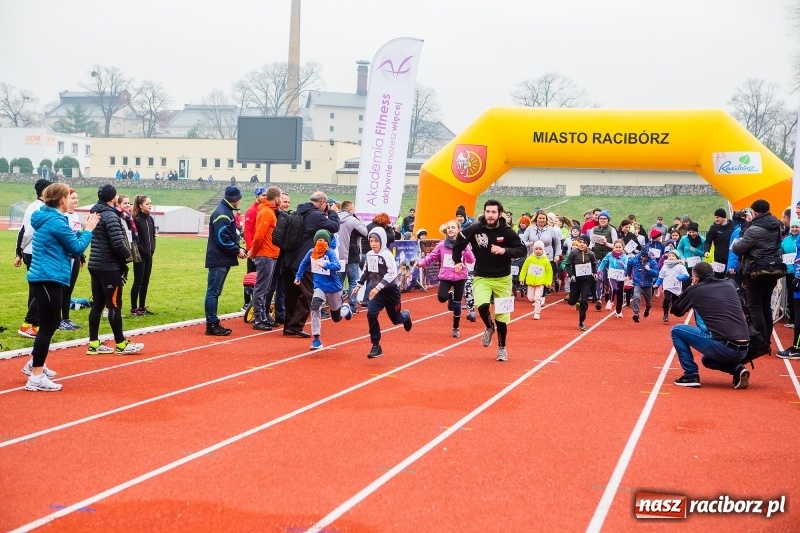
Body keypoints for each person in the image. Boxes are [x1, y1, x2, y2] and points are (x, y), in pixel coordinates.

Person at [23, 184, 99, 391]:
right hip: (48, 277)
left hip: (47, 276)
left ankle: (34, 363)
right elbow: (75, 247)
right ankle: (36, 376)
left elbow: (68, 243)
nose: (72, 200)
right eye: (69, 197)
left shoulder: (50, 218)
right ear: (61, 200)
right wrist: (89, 230)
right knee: (48, 325)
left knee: (50, 323)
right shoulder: (56, 221)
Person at [452, 199, 527, 361]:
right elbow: (459, 242)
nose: (490, 215)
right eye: (488, 212)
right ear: (484, 213)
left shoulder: (507, 231)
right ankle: (488, 327)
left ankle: (502, 348)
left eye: (494, 212)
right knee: (482, 305)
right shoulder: (474, 228)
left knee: (502, 318)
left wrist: (504, 250)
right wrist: (457, 261)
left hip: (503, 279)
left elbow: (522, 250)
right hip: (482, 277)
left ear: (499, 214)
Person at [670, 261, 752, 388]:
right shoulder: (729, 285)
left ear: (695, 278)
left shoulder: (695, 289)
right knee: (707, 360)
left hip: (724, 346)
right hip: (744, 348)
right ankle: (737, 369)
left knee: (676, 330)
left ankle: (690, 374)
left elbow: (676, 311)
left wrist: (689, 290)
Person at [87, 184, 144, 355]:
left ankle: (94, 343)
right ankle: (120, 343)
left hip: (95, 263)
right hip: (108, 266)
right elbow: (118, 243)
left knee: (97, 305)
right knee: (114, 305)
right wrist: (128, 259)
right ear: (112, 198)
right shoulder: (111, 216)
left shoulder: (95, 213)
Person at [282, 191, 340, 338]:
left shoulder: (299, 211)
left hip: (290, 259)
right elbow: (334, 227)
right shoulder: (316, 215)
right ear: (321, 202)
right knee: (309, 294)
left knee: (292, 294)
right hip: (305, 260)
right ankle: (295, 326)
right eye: (325, 204)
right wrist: (333, 212)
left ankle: (289, 325)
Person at [351, 227, 412, 358]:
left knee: (396, 320)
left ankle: (406, 317)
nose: (373, 244)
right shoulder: (369, 254)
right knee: (371, 314)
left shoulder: (387, 255)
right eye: (371, 241)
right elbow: (367, 271)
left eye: (376, 241)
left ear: (382, 241)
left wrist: (378, 287)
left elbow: (392, 274)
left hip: (390, 292)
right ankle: (376, 345)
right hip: (376, 292)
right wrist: (359, 285)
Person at [731, 199, 784, 348]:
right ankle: (766, 339)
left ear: (755, 212)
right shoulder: (777, 225)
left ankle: (760, 341)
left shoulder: (754, 229)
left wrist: (746, 228)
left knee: (754, 306)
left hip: (756, 270)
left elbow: (738, 248)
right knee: (766, 305)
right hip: (773, 269)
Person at [416, 220, 475, 337]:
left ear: (459, 230)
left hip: (459, 277)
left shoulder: (463, 245)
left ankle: (455, 328)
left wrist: (465, 247)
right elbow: (431, 257)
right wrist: (421, 263)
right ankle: (450, 296)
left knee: (457, 305)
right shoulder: (442, 245)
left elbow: (471, 260)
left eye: (453, 227)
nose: (450, 230)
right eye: (449, 228)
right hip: (446, 276)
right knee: (441, 297)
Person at [295, 230, 352, 349]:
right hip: (319, 286)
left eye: (324, 240)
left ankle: (345, 309)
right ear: (315, 242)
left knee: (336, 318)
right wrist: (298, 276)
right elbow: (304, 264)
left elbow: (337, 266)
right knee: (315, 307)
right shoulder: (311, 252)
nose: (321, 242)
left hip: (333, 288)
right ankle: (316, 340)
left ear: (328, 242)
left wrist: (325, 264)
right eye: (319, 240)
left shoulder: (330, 252)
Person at [204, 186, 248, 336]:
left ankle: (213, 322)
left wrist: (238, 247)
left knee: (214, 292)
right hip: (219, 259)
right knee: (213, 292)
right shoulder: (223, 213)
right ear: (236, 199)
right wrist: (237, 250)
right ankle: (211, 323)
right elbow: (222, 239)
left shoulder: (225, 211)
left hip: (220, 258)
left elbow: (227, 236)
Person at [15, 178, 52, 338]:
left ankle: (35, 324)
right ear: (44, 191)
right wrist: (20, 250)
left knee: (36, 289)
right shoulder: (37, 208)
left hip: (34, 251)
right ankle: (29, 324)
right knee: (41, 290)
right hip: (34, 251)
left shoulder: (41, 207)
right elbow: (26, 232)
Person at [249, 186, 282, 330]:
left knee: (265, 287)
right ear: (276, 198)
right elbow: (259, 236)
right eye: (280, 197)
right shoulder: (267, 212)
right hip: (265, 254)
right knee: (261, 288)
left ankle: (262, 316)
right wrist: (253, 253)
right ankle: (258, 319)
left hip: (270, 254)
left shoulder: (269, 211)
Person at [58, 188, 85, 331]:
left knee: (69, 289)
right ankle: (58, 320)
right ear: (65, 199)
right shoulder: (61, 216)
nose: (75, 200)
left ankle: (66, 319)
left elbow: (77, 236)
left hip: (74, 256)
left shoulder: (75, 216)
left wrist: (81, 256)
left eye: (77, 198)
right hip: (64, 257)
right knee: (60, 290)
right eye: (73, 198)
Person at [336, 200, 368, 310]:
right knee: (353, 282)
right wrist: (360, 221)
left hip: (337, 255)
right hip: (351, 255)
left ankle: (337, 306)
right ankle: (352, 306)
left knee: (338, 283)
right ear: (350, 209)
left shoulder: (334, 219)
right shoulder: (353, 220)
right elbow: (364, 232)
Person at [565, 235, 597, 330]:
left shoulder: (590, 254)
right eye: (580, 242)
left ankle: (581, 322)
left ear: (587, 244)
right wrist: (571, 275)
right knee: (571, 302)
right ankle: (576, 301)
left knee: (584, 301)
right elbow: (567, 265)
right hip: (576, 280)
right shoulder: (573, 253)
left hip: (586, 281)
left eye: (584, 243)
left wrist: (594, 273)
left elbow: (594, 264)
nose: (582, 244)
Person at [131, 195, 156, 316]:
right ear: (141, 205)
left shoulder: (150, 219)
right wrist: (142, 250)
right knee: (138, 281)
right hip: (140, 256)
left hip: (149, 255)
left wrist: (152, 248)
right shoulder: (136, 219)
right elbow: (135, 239)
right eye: (147, 203)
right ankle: (134, 308)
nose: (150, 205)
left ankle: (142, 306)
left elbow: (153, 236)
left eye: (150, 203)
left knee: (146, 281)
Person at [243, 187, 267, 309]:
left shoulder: (264, 209)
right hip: (253, 249)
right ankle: (247, 302)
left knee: (260, 276)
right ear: (257, 196)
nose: (265, 197)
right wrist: (249, 248)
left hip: (262, 249)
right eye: (263, 195)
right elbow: (247, 231)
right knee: (251, 275)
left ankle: (257, 301)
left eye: (266, 195)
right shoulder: (252, 211)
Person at [519, 240, 554, 320]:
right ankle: (538, 299)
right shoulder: (529, 259)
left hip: (540, 282)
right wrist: (522, 278)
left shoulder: (545, 260)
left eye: (540, 249)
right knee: (531, 298)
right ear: (534, 250)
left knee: (537, 297)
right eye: (536, 249)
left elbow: (549, 272)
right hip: (530, 282)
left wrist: (548, 282)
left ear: (543, 250)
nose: (538, 251)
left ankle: (537, 313)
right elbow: (524, 269)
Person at [625, 245, 659, 323]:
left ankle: (647, 309)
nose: (644, 258)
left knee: (649, 303)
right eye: (643, 256)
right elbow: (629, 264)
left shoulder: (652, 261)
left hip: (648, 284)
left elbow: (656, 273)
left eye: (646, 257)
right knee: (636, 296)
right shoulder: (635, 259)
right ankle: (636, 314)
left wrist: (649, 269)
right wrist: (629, 274)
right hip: (637, 283)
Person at [654, 249, 689, 322]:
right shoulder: (664, 266)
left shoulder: (680, 267)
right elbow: (661, 276)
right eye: (669, 255)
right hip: (667, 285)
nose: (671, 257)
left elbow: (686, 275)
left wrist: (678, 278)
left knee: (675, 301)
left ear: (677, 257)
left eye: (673, 256)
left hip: (676, 286)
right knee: (667, 299)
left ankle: (673, 308)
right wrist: (657, 284)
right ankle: (665, 315)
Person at [597, 239, 628, 317]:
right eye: (616, 247)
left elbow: (627, 268)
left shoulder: (624, 257)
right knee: (614, 288)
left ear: (622, 248)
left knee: (620, 294)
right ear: (613, 247)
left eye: (620, 247)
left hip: (620, 276)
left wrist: (624, 266)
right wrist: (599, 270)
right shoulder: (609, 254)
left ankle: (618, 311)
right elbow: (603, 262)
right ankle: (610, 301)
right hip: (611, 275)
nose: (618, 249)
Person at [703, 208, 736, 279]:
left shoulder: (733, 226)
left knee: (731, 278)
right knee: (718, 278)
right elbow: (708, 241)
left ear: (723, 217)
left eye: (718, 217)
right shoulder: (714, 227)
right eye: (715, 217)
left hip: (731, 258)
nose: (716, 219)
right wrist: (706, 251)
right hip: (719, 259)